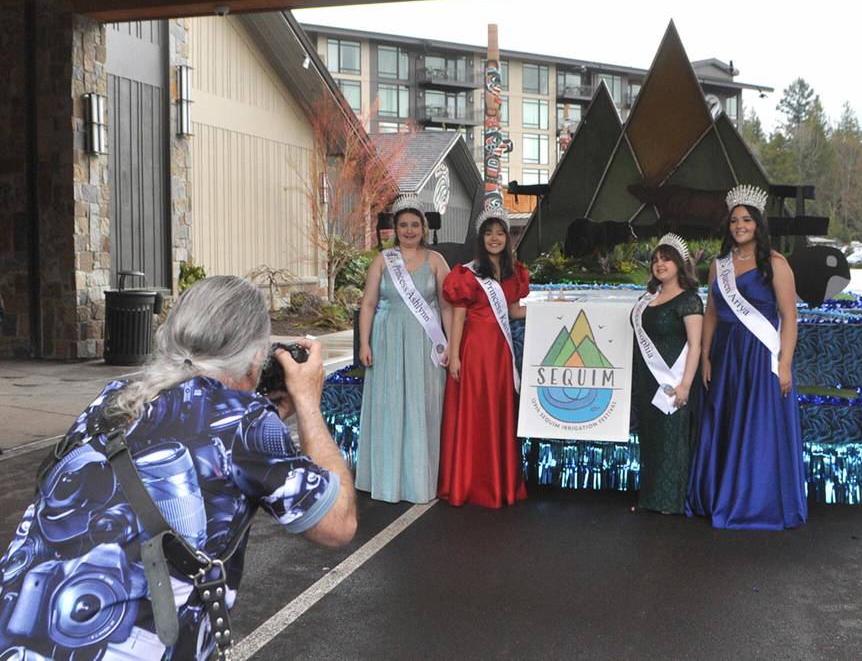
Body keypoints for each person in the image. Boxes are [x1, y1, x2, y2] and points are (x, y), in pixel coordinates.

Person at [0, 276, 356, 659]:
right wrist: (307, 403)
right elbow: (338, 524)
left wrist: (255, 420)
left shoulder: (115, 397)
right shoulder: (245, 424)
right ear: (257, 358)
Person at [687, 184, 807, 530]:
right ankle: (720, 495)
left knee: (758, 425)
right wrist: (707, 355)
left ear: (758, 224)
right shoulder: (718, 265)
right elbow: (711, 313)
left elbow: (789, 318)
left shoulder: (776, 265)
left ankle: (757, 501)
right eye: (734, 220)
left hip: (760, 356)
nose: (739, 225)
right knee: (725, 420)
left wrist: (783, 364)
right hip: (726, 355)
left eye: (746, 219)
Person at [358, 205, 452, 504]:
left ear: (423, 228)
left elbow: (448, 306)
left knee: (422, 405)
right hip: (387, 341)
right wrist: (364, 343)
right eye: (403, 226)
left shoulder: (436, 261)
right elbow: (369, 304)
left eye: (414, 225)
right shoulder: (383, 261)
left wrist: (450, 343)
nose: (409, 231)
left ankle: (419, 479)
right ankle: (387, 480)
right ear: (395, 230)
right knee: (389, 404)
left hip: (425, 343)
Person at [438, 207, 529, 508]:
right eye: (489, 233)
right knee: (475, 413)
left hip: (500, 352)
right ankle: (469, 482)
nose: (494, 238)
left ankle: (498, 482)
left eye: (500, 232)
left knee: (498, 412)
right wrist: (455, 356)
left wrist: (551, 310)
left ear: (508, 237)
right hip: (475, 350)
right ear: (481, 238)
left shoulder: (514, 273)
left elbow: (514, 311)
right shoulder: (467, 273)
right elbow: (459, 317)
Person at [630, 235, 703, 515]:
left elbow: (696, 345)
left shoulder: (689, 299)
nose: (660, 264)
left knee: (672, 438)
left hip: (675, 380)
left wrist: (685, 385)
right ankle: (649, 497)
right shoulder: (648, 299)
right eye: (656, 259)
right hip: (648, 380)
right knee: (651, 438)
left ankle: (670, 500)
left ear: (680, 264)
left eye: (666, 259)